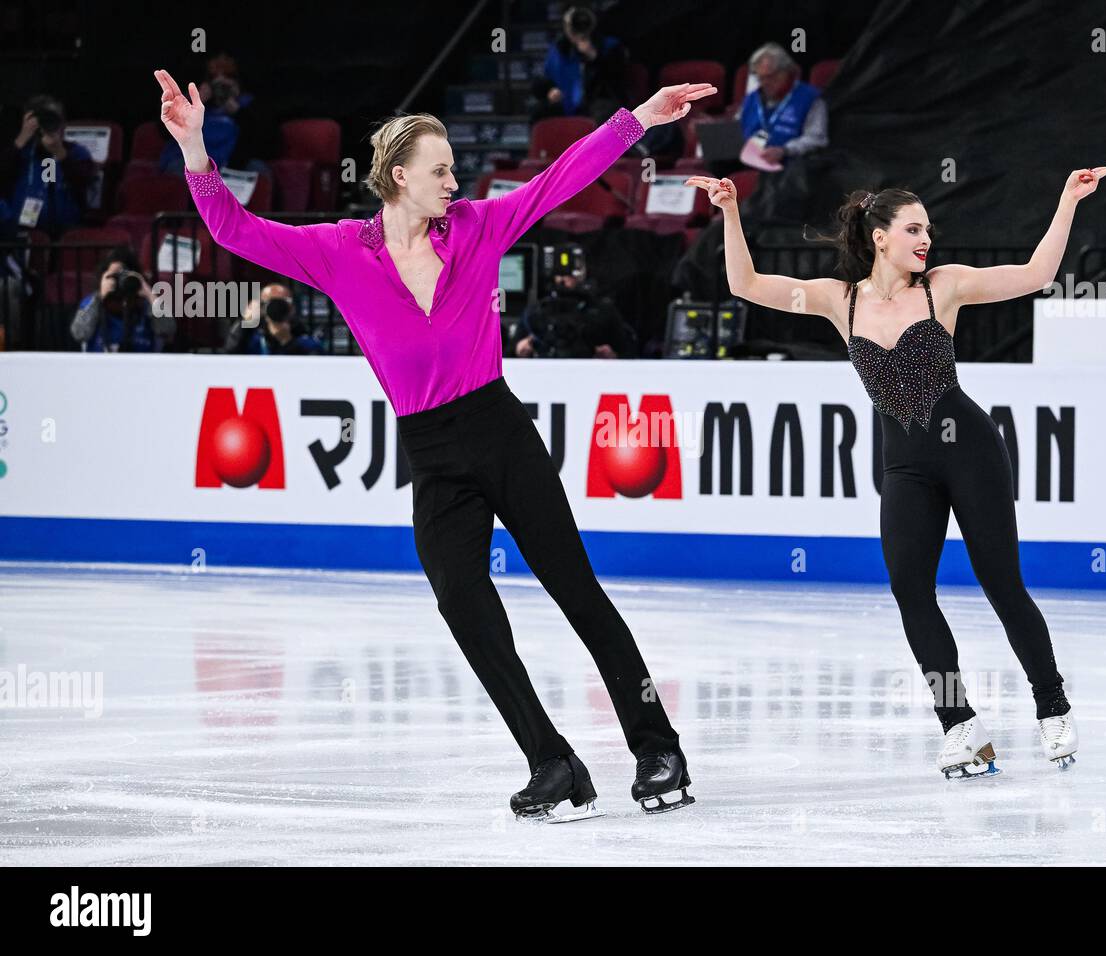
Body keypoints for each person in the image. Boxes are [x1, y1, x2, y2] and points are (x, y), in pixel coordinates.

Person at [156, 67, 715, 819]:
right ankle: (552, 761)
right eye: (442, 169)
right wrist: (194, 148)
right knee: (462, 603)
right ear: (397, 178)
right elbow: (236, 231)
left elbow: (557, 178)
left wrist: (639, 119)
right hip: (432, 454)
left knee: (576, 589)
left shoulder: (480, 227)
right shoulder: (339, 251)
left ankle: (656, 747)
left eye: (454, 168)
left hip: (501, 431)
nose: (456, 180)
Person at [688, 166, 1106, 778]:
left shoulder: (943, 287)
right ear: (880, 236)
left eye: (929, 229)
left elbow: (1036, 276)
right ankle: (960, 724)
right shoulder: (843, 300)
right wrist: (730, 211)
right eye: (914, 229)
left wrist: (1068, 199)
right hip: (905, 466)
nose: (927, 240)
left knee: (1002, 585)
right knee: (910, 590)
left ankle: (1052, 705)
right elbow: (746, 283)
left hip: (969, 449)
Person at [0, 94, 96, 239]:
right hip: (22, 233)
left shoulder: (75, 152)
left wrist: (60, 152)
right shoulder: (20, 152)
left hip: (66, 232)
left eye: (53, 118)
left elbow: (84, 182)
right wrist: (21, 139)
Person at [531, 5, 629, 124]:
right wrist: (550, 90)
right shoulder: (559, 49)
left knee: (611, 115)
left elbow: (618, 79)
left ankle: (633, 142)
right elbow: (541, 80)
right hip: (565, 102)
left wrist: (593, 56)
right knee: (538, 112)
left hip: (601, 101)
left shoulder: (610, 46)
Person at [69, 247, 175, 353]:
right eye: (113, 276)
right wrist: (100, 297)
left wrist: (149, 293)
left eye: (123, 276)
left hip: (141, 366)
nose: (118, 281)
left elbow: (168, 329)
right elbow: (79, 334)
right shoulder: (92, 301)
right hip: (100, 367)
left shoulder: (145, 303)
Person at [738, 43, 828, 165]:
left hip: (791, 166)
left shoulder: (809, 98)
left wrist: (784, 150)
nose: (764, 83)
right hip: (748, 161)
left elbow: (816, 139)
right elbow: (737, 126)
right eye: (761, 78)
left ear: (786, 73)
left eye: (770, 77)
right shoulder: (753, 97)